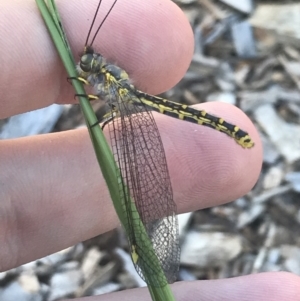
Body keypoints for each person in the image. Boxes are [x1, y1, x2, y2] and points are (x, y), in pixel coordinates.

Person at [0, 0, 299, 300]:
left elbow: (102, 104)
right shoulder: (101, 77)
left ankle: (232, 134)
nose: (84, 66)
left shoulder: (110, 84)